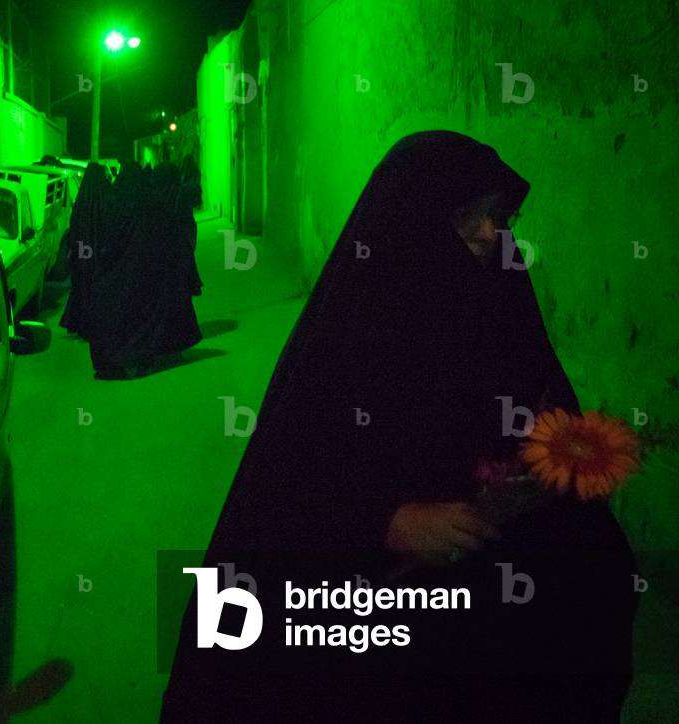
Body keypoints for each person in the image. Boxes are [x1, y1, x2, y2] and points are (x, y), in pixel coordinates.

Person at [160, 131, 636, 723]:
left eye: (498, 217)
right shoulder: (353, 331)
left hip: (493, 555)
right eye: (468, 219)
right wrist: (385, 523)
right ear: (411, 226)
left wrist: (559, 465)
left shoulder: (501, 296)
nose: (491, 235)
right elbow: (288, 485)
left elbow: (543, 409)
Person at [87, 161, 203, 378]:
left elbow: (111, 242)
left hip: (131, 273)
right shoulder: (153, 201)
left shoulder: (121, 202)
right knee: (145, 316)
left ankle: (128, 357)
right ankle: (145, 354)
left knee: (125, 312)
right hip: (152, 272)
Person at [59, 163, 111, 338]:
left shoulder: (82, 202)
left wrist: (78, 251)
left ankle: (81, 324)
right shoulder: (105, 198)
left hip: (83, 250)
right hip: (98, 250)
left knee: (82, 284)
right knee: (97, 285)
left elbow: (75, 229)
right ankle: (95, 325)